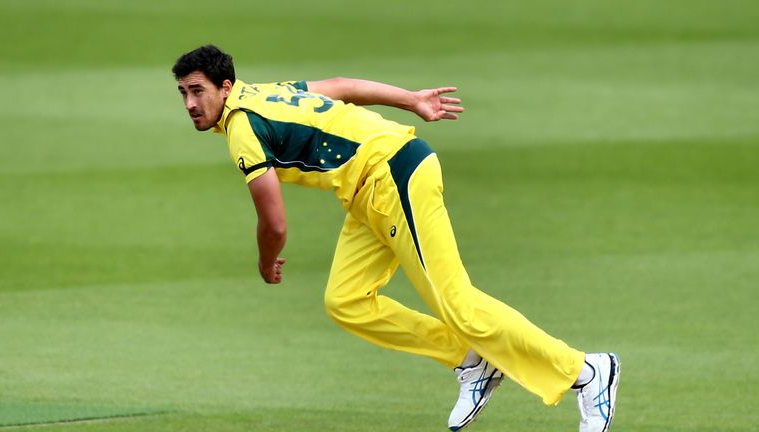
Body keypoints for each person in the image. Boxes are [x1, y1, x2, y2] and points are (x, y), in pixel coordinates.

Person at [172, 45, 620, 432]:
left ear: (225, 87)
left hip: (392, 175)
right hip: (366, 192)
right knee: (347, 300)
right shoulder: (267, 91)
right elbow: (342, 84)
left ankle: (586, 372)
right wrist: (411, 100)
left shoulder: (243, 129)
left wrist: (266, 261)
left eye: (198, 90)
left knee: (458, 303)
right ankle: (471, 360)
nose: (191, 103)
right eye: (184, 93)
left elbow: (274, 224)